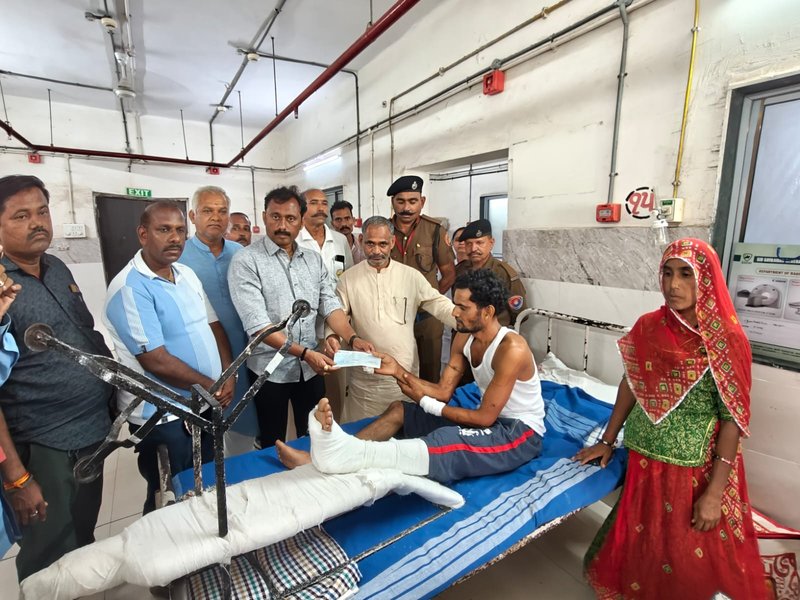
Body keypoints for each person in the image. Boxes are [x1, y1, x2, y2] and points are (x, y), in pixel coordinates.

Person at [574, 238, 766, 599]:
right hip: (644, 457)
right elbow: (631, 383)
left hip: (692, 470)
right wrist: (607, 440)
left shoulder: (726, 339)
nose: (673, 284)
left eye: (686, 274)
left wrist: (714, 493)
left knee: (684, 551)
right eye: (667, 273)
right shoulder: (649, 326)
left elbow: (732, 419)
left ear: (706, 279)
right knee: (643, 539)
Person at [277, 269, 545, 486]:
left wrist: (427, 403)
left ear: (487, 312)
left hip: (518, 432)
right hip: (489, 420)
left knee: (446, 442)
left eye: (463, 307)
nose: (454, 312)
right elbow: (443, 392)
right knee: (399, 410)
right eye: (455, 305)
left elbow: (484, 418)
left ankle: (334, 458)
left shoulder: (511, 348)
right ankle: (329, 454)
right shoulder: (464, 337)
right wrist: (397, 370)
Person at [0, 175, 114, 581]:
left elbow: (84, 333)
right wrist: (17, 477)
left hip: (91, 432)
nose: (37, 222)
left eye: (42, 211)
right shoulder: (0, 287)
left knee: (82, 535)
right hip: (44, 443)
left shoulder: (56, 266)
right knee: (48, 555)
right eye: (21, 216)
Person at [104, 201, 235, 514]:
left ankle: (206, 536)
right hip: (163, 413)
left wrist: (228, 373)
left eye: (179, 230)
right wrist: (210, 386)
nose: (175, 238)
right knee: (170, 495)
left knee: (206, 483)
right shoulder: (130, 287)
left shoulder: (186, 274)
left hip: (203, 402)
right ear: (143, 234)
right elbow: (155, 360)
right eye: (164, 230)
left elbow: (213, 324)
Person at [228, 186, 373, 448]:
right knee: (273, 441)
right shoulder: (246, 261)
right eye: (275, 217)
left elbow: (330, 304)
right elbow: (259, 326)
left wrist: (353, 338)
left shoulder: (313, 260)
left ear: (301, 220)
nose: (282, 225)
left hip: (310, 370)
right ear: (264, 216)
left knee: (315, 436)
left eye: (291, 218)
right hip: (269, 370)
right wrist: (305, 353)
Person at [324, 216, 456, 422]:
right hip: (365, 378)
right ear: (361, 241)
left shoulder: (411, 276)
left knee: (403, 429)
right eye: (370, 244)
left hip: (403, 373)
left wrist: (465, 319)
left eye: (383, 244)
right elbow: (337, 313)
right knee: (362, 432)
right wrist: (332, 337)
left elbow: (438, 304)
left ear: (392, 242)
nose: (376, 251)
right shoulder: (348, 279)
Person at [179, 186, 259, 456]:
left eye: (222, 211)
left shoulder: (242, 254)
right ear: (193, 216)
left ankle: (240, 471)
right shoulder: (179, 257)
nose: (216, 217)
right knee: (202, 428)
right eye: (207, 211)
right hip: (200, 356)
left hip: (243, 351)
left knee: (243, 421)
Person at [388, 175, 456, 383]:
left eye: (412, 201)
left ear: (422, 202)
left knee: (430, 370)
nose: (406, 208)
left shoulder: (435, 231)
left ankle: (428, 404)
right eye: (400, 201)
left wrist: (429, 300)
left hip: (427, 317)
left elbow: (449, 274)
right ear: (393, 202)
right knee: (395, 368)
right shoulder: (384, 230)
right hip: (392, 314)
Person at [456, 218, 527, 327]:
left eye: (479, 243)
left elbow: (520, 314)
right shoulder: (460, 270)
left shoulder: (503, 273)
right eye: (469, 244)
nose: (473, 248)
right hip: (463, 330)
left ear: (491, 243)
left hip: (492, 333)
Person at [330, 199, 365, 264]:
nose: (344, 224)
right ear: (332, 224)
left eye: (347, 218)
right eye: (338, 219)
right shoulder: (328, 247)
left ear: (353, 220)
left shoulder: (362, 242)